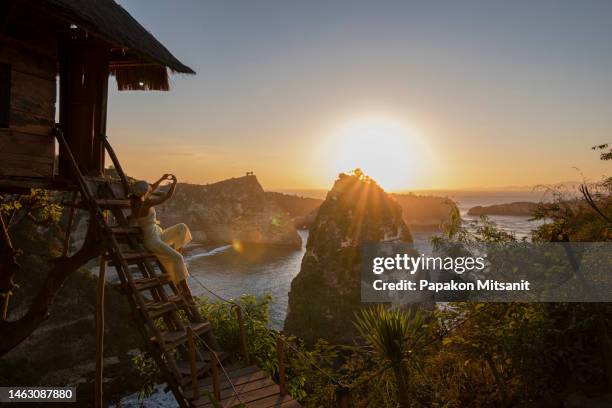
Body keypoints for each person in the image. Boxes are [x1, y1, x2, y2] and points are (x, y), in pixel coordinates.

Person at [129, 174, 195, 302]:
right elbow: (167, 196)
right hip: (152, 240)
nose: (150, 190)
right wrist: (174, 182)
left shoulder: (138, 201)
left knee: (182, 227)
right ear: (143, 193)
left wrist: (162, 178)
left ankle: (177, 249)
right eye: (147, 190)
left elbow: (151, 188)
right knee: (178, 258)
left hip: (157, 233)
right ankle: (185, 291)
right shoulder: (145, 204)